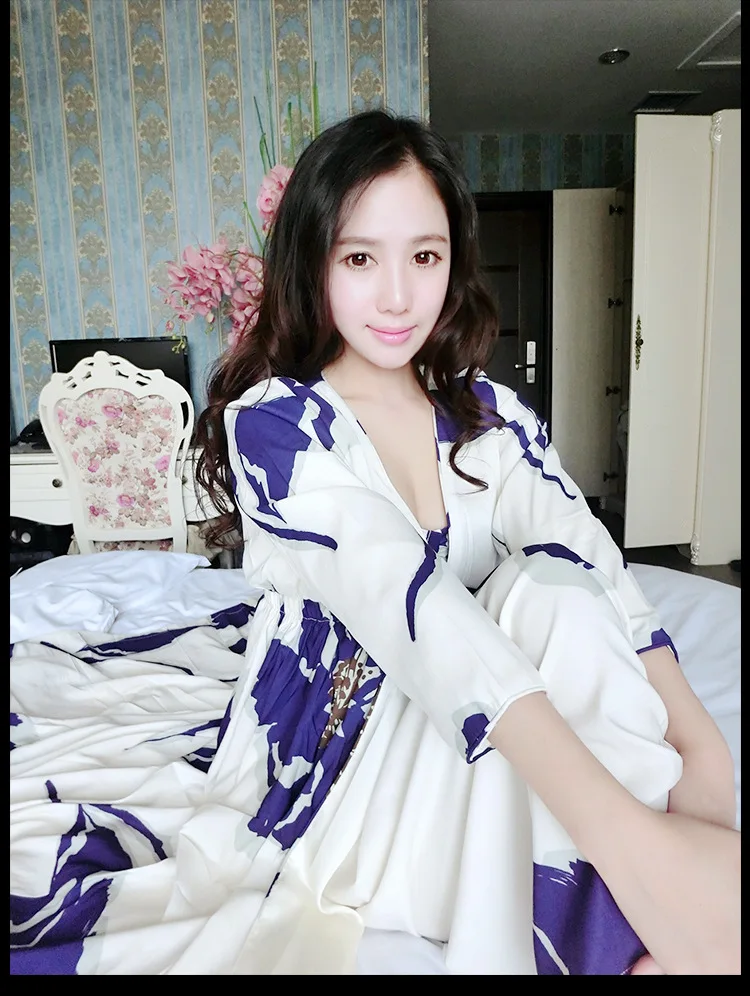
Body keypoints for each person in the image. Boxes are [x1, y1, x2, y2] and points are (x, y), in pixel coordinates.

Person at [194, 109, 739, 976]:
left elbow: (592, 559)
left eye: (425, 255)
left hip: (504, 728)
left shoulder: (488, 412)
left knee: (557, 595)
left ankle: (644, 910)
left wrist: (703, 751)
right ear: (313, 261)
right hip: (343, 762)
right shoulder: (279, 426)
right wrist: (638, 836)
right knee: (527, 621)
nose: (398, 296)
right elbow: (420, 615)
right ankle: (647, 909)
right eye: (359, 258)